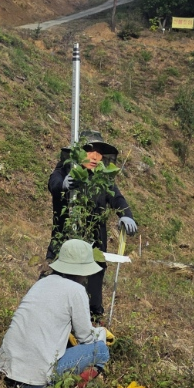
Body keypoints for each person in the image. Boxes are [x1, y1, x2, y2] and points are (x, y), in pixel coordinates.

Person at [0, 239, 111, 388]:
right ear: (83, 271)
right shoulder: (76, 290)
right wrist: (101, 333)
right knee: (101, 350)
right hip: (36, 382)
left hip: (7, 371)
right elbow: (85, 338)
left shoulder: (41, 283)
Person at [47, 130, 138, 320]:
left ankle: (93, 322)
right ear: (79, 152)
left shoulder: (102, 179)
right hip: (65, 242)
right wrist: (63, 185)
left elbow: (118, 199)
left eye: (99, 153)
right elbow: (53, 183)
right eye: (90, 151)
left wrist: (126, 215)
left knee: (92, 297)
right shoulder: (65, 171)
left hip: (95, 246)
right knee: (57, 289)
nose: (95, 157)